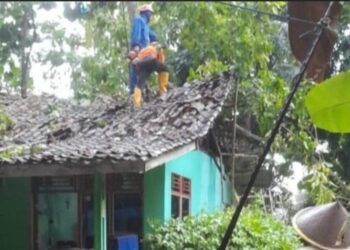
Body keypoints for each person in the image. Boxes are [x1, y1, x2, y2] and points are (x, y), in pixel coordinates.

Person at [128, 42, 169, 108]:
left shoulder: (143, 50)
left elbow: (137, 63)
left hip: (141, 64)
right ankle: (162, 91)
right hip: (151, 60)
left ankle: (136, 104)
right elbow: (161, 60)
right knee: (164, 69)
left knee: (139, 85)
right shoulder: (155, 48)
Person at [128, 4, 158, 97]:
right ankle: (134, 91)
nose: (151, 16)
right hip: (139, 50)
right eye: (150, 14)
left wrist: (155, 41)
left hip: (145, 51)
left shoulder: (146, 26)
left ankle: (142, 91)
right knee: (136, 69)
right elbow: (136, 33)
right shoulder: (139, 20)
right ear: (146, 13)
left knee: (143, 71)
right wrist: (136, 46)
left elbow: (154, 36)